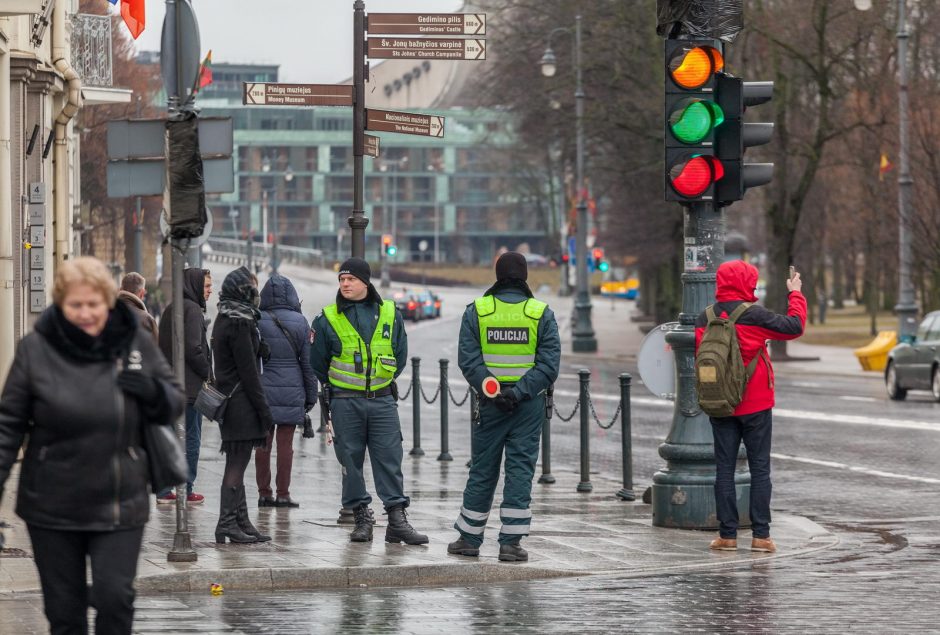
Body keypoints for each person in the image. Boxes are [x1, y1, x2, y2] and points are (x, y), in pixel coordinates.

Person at [0, 256, 184, 634]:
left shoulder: (133, 341)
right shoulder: (35, 349)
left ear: (107, 301)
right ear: (60, 303)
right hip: (52, 504)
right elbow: (7, 427)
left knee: (115, 600)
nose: (85, 313)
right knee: (64, 613)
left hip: (120, 498)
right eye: (75, 305)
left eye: (93, 304)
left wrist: (152, 391)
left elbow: (175, 400)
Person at [447, 252, 560, 562]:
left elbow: (469, 361)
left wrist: (493, 390)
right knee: (520, 470)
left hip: (490, 404)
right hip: (527, 406)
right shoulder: (540, 313)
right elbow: (549, 365)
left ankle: (469, 538)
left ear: (497, 276)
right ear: (525, 277)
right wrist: (520, 392)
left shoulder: (478, 311)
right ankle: (511, 542)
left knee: (483, 469)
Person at [310, 257, 427, 545]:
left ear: (365, 281)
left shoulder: (389, 313)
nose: (345, 284)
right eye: (341, 279)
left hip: (382, 400)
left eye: (350, 279)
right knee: (349, 460)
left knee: (390, 458)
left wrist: (379, 380)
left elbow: (399, 355)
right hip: (345, 402)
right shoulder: (327, 318)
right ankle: (361, 516)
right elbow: (318, 363)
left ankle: (397, 519)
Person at [697, 260, 806, 553]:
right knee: (759, 468)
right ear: (747, 282)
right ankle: (761, 536)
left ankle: (727, 536)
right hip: (755, 403)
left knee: (724, 469)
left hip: (720, 403)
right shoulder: (754, 315)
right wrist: (794, 293)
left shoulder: (704, 317)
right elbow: (795, 327)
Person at [211, 266, 273, 543]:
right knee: (236, 465)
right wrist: (264, 411)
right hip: (241, 404)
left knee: (238, 463)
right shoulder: (240, 323)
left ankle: (241, 521)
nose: (255, 294)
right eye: (251, 289)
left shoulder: (225, 317)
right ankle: (226, 524)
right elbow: (249, 373)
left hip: (231, 401)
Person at [256, 274, 318, 508]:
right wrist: (311, 396)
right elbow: (308, 364)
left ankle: (264, 492)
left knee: (262, 444)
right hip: (292, 389)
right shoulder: (300, 322)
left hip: (262, 389)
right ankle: (283, 493)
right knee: (286, 446)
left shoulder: (257, 320)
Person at [157, 268, 213, 505]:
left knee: (170, 438)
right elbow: (193, 348)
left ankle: (164, 490)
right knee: (191, 438)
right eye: (207, 287)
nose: (210, 292)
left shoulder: (172, 308)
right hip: (189, 388)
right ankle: (187, 488)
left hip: (170, 385)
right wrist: (208, 372)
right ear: (195, 286)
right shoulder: (192, 310)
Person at [118, 272, 158, 342]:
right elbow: (156, 349)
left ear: (120, 289)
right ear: (142, 293)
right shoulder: (147, 320)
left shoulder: (106, 315)